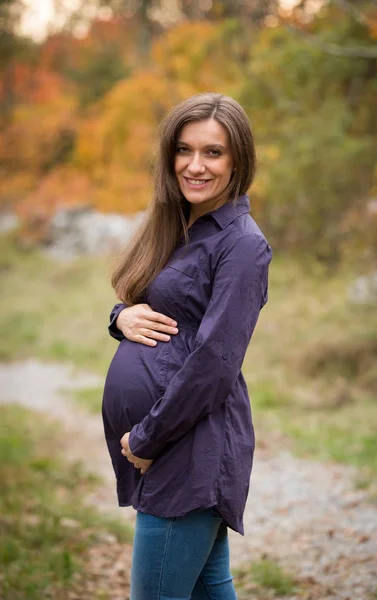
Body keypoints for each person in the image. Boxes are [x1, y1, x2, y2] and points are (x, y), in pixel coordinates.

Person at [102, 92, 273, 600]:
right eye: (184, 150)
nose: (195, 165)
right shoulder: (180, 225)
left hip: (189, 447)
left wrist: (149, 438)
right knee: (208, 590)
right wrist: (119, 317)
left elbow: (214, 364)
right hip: (175, 446)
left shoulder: (242, 244)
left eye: (213, 152)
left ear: (238, 159)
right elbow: (145, 306)